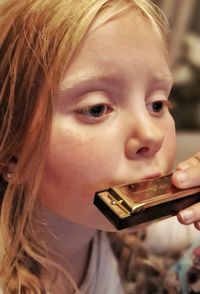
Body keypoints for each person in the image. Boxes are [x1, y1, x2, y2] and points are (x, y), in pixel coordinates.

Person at [0, 0, 199, 293]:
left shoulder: (142, 237)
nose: (151, 135)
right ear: (11, 153)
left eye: (157, 104)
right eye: (96, 109)